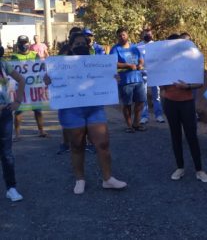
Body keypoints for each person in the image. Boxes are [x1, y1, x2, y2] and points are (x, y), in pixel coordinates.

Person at [44, 32, 127, 194]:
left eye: (83, 43)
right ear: (71, 46)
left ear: (88, 45)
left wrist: (113, 78)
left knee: (103, 143)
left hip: (95, 108)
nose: (80, 46)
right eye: (77, 44)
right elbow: (49, 79)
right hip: (71, 110)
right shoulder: (59, 64)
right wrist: (48, 80)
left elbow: (106, 78)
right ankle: (80, 179)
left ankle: (108, 178)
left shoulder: (98, 62)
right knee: (76, 145)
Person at [161, 34, 207, 183]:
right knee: (175, 136)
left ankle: (199, 170)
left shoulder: (191, 60)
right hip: (170, 103)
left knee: (191, 136)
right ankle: (180, 167)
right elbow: (161, 84)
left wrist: (187, 86)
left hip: (186, 103)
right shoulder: (163, 63)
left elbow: (199, 83)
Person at [11, 35, 47, 141]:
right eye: (21, 43)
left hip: (34, 87)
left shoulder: (34, 54)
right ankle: (17, 134)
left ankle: (41, 131)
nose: (23, 45)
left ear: (29, 43)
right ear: (18, 44)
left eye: (25, 42)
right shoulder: (14, 57)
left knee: (38, 110)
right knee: (18, 111)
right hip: (21, 88)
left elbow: (40, 68)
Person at [110, 27, 146, 133]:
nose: (122, 37)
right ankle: (129, 126)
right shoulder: (115, 49)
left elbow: (141, 59)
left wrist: (140, 64)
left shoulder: (134, 47)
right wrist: (128, 65)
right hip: (125, 81)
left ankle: (136, 123)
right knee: (127, 104)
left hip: (138, 79)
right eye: (119, 36)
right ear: (117, 37)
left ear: (127, 35)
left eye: (123, 35)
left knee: (140, 102)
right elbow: (113, 63)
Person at [0, 53, 26, 201]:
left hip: (4, 115)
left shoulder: (3, 64)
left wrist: (18, 101)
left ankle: (11, 188)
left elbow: (21, 80)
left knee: (7, 153)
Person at [57, 27, 83, 155]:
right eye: (74, 37)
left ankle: (87, 142)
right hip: (67, 89)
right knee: (66, 118)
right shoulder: (64, 50)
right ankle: (65, 142)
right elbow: (57, 64)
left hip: (83, 89)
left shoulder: (86, 50)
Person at [137, 28, 165, 124]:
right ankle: (144, 116)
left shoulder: (156, 45)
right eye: (145, 34)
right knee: (143, 95)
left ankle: (159, 115)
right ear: (142, 35)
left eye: (149, 34)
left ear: (152, 35)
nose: (147, 35)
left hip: (155, 73)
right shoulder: (138, 46)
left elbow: (161, 58)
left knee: (156, 95)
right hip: (142, 73)